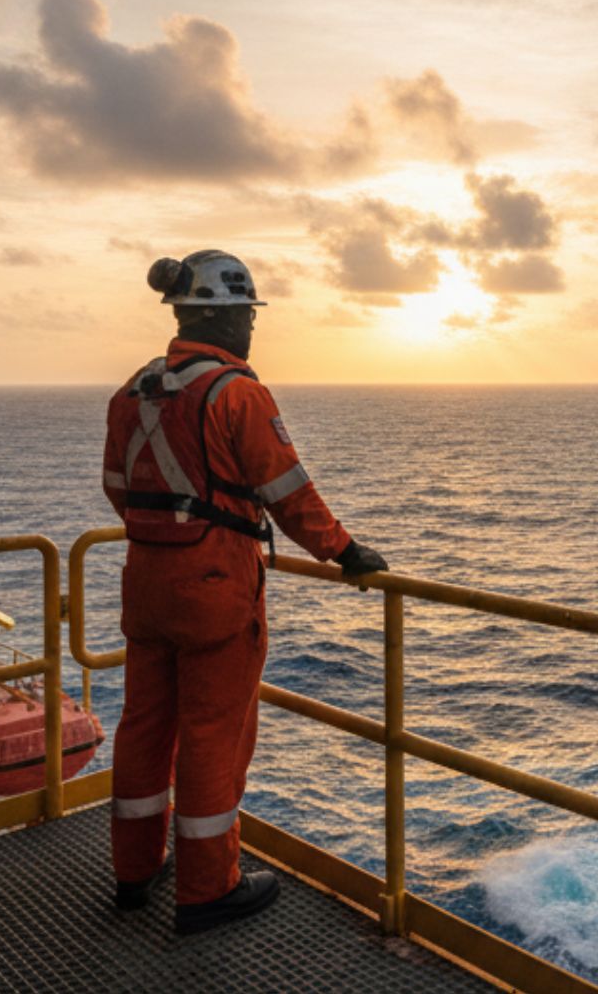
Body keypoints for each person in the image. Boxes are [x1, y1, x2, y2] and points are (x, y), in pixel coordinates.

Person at [102, 249, 388, 934]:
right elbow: (288, 493)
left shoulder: (135, 389)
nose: (251, 332)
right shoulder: (237, 393)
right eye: (246, 318)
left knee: (144, 725)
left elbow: (118, 487)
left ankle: (134, 874)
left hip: (146, 581)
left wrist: (169, 532)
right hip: (215, 588)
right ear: (224, 317)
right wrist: (346, 553)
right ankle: (207, 889)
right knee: (212, 734)